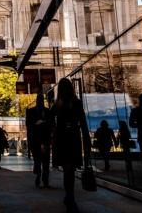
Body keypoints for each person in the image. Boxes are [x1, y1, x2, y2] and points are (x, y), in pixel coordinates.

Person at [52, 79, 91, 213]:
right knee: (70, 170)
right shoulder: (77, 103)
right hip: (73, 138)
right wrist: (86, 139)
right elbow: (83, 122)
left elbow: (51, 123)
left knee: (67, 169)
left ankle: (69, 196)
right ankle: (70, 197)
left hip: (61, 138)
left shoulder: (57, 105)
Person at [26, 93, 53, 186]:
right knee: (39, 160)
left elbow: (51, 125)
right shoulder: (31, 111)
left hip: (43, 139)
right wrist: (36, 124)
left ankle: (43, 178)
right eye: (39, 99)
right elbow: (28, 126)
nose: (40, 101)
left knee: (43, 160)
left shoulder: (47, 111)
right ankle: (40, 176)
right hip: (36, 139)